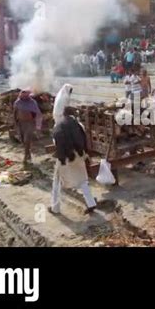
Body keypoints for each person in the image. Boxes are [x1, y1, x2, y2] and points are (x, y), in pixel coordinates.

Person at [50, 86, 97, 215]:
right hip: (79, 155)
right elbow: (84, 139)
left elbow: (57, 144)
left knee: (57, 181)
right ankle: (91, 203)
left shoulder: (57, 127)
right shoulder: (78, 125)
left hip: (65, 157)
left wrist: (62, 157)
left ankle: (55, 207)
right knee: (83, 180)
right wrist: (84, 154)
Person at [13, 88, 43, 163]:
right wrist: (15, 122)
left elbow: (38, 114)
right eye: (23, 95)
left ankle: (26, 155)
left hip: (29, 123)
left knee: (27, 139)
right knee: (23, 139)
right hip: (20, 123)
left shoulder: (32, 103)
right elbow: (15, 112)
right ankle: (28, 153)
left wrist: (38, 126)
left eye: (26, 95)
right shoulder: (18, 102)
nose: (24, 97)